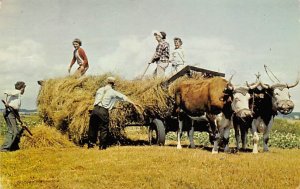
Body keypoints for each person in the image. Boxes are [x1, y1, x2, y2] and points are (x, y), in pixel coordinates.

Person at [87, 77, 141, 150]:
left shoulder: (99, 89)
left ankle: (90, 145)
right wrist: (134, 103)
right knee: (104, 128)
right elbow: (124, 97)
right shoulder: (113, 92)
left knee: (93, 127)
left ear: (106, 82)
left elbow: (101, 101)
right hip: (103, 112)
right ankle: (102, 146)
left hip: (95, 109)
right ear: (113, 84)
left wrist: (112, 107)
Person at [0, 81, 26, 152]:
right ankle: (5, 148)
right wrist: (5, 102)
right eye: (24, 88)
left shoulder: (18, 95)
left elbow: (16, 108)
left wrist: (20, 120)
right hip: (9, 111)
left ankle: (13, 146)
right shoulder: (17, 92)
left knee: (15, 130)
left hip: (13, 111)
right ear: (22, 88)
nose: (24, 90)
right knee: (13, 131)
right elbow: (5, 92)